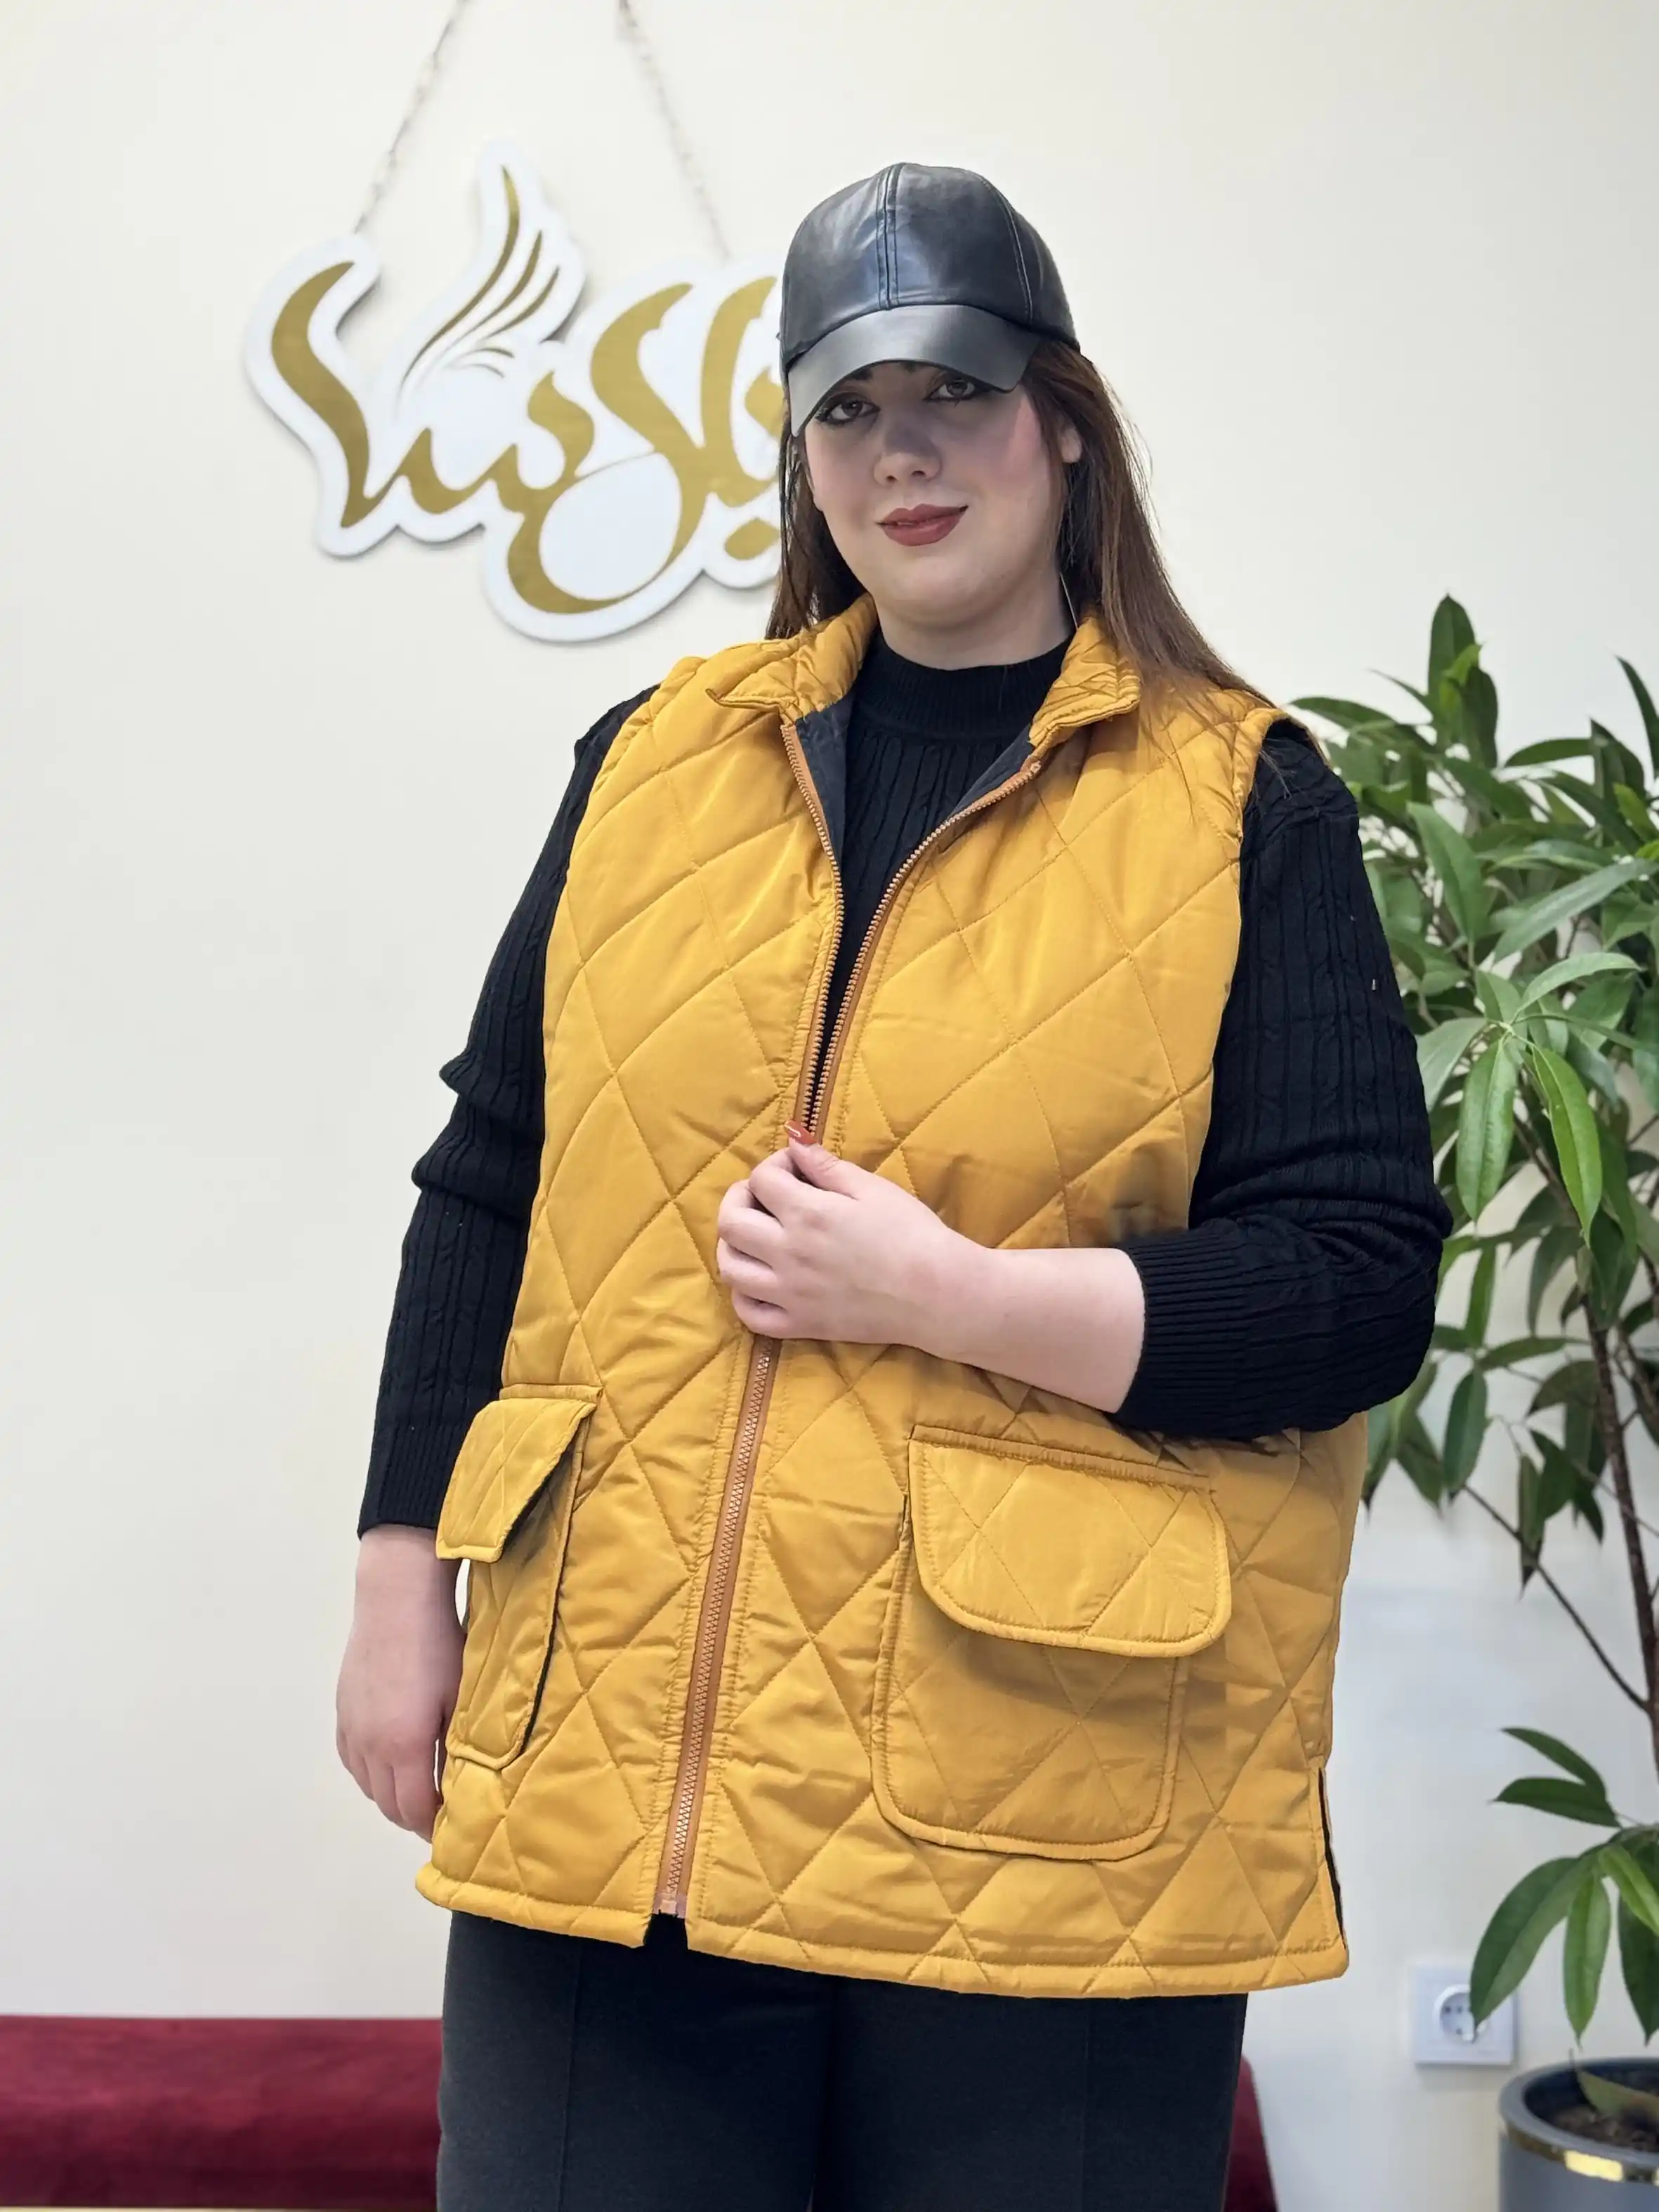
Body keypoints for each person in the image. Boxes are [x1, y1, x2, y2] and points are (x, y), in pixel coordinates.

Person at [336, 162, 1449, 2211]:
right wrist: (399, 1575)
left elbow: (1357, 1284)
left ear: (1065, 424)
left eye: (954, 391)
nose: (901, 452)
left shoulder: (1243, 800)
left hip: (1047, 1816)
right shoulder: (649, 765)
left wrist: (955, 1295)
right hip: (621, 1784)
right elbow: (490, 1180)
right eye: (847, 408)